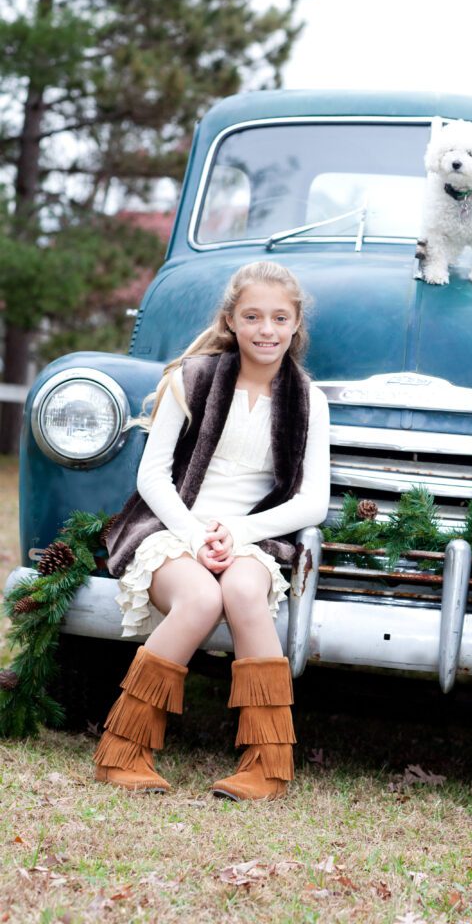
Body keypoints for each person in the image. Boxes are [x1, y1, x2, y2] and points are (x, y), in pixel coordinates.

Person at [95, 261, 330, 801]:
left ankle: (266, 765)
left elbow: (311, 501)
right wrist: (197, 535)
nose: (266, 329)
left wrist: (237, 532)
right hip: (173, 525)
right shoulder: (192, 377)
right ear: (231, 319)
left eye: (279, 318)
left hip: (249, 534)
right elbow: (152, 476)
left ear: (296, 326)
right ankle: (124, 750)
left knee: (245, 591)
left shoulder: (308, 400)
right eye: (252, 316)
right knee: (200, 599)